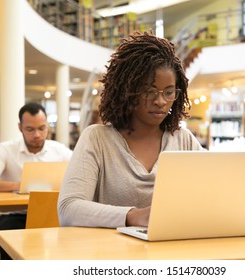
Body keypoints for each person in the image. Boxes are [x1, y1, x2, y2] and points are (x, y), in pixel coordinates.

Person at [58, 31, 205, 229]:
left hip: (171, 251)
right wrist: (132, 216)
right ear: (127, 91)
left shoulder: (183, 140)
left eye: (169, 92)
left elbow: (207, 196)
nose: (160, 101)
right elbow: (68, 209)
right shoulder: (97, 139)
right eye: (149, 91)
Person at [0, 102, 73, 259]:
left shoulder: (59, 150)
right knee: (7, 235)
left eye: (42, 128)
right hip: (15, 215)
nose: (37, 134)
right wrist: (21, 185)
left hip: (53, 215)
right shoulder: (6, 150)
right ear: (20, 128)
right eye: (30, 129)